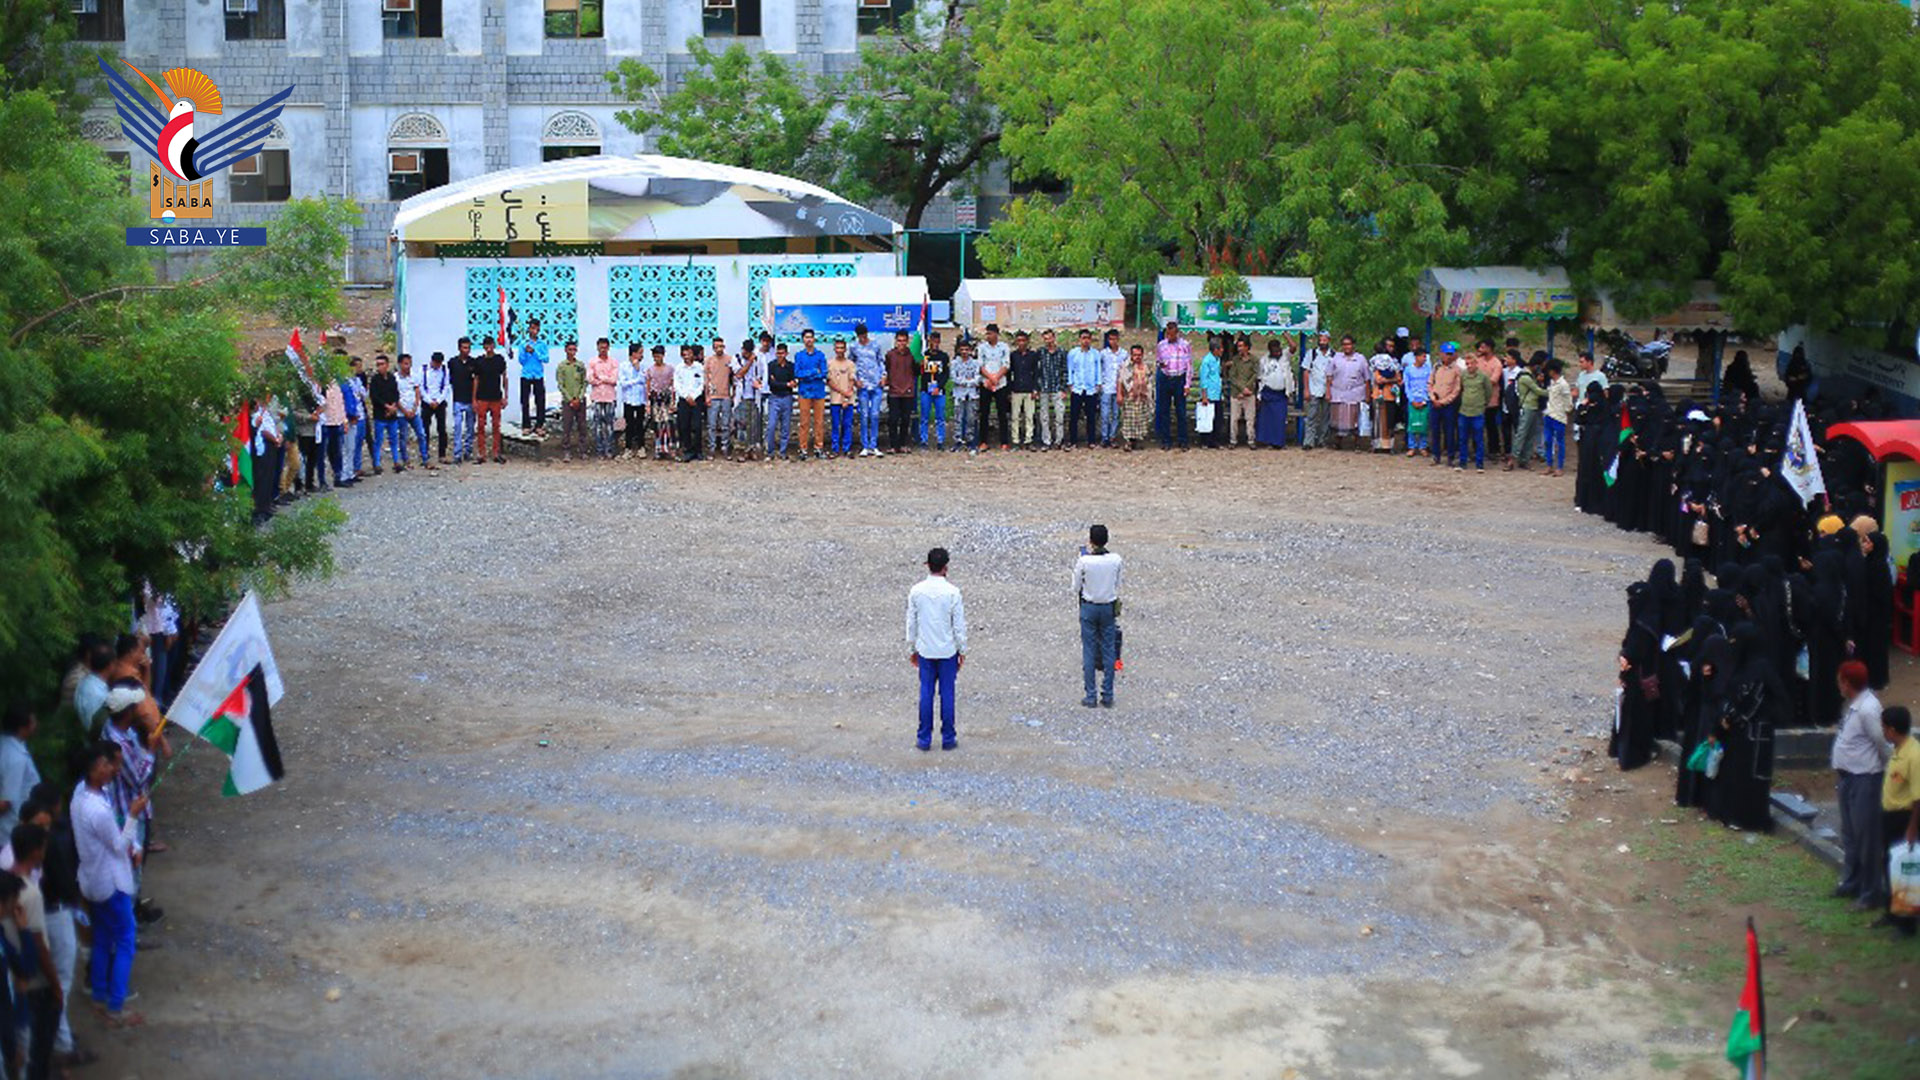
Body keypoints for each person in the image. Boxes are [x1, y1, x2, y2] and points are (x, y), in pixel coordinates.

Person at [72, 741, 145, 1028]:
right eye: (104, 764)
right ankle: (116, 1005)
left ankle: (99, 995)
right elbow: (118, 845)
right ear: (91, 770)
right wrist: (134, 815)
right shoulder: (98, 809)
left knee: (102, 938)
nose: (110, 768)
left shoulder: (79, 798)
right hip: (110, 881)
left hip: (91, 881)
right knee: (126, 939)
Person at [6, 825, 61, 1080]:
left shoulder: (5, 884)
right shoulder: (30, 893)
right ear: (37, 852)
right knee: (37, 1052)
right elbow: (39, 945)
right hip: (34, 981)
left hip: (14, 979)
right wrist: (56, 984)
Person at [1833, 661, 1889, 909]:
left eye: (1840, 680)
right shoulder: (1857, 706)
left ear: (1847, 683)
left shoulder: (1868, 709)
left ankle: (1871, 892)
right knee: (1851, 835)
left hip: (1865, 778)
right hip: (1849, 778)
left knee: (1866, 838)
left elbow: (1882, 744)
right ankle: (1853, 882)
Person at [906, 547, 967, 752]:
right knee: (947, 694)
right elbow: (958, 625)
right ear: (946, 567)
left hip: (925, 649)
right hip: (947, 650)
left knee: (926, 693)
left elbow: (911, 623)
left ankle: (924, 739)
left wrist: (911, 647)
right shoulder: (953, 592)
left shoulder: (917, 591)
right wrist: (962, 649)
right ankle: (948, 738)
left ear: (927, 565)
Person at [1879, 706, 1920, 935]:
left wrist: (1912, 828)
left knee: (1905, 872)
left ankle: (1906, 924)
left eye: (1884, 728)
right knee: (1888, 865)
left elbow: (1919, 797)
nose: (1882, 732)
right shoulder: (1899, 749)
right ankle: (1892, 913)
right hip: (1890, 816)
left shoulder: (1914, 755)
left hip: (1904, 819)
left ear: (1892, 730)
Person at [1072, 525, 1123, 708]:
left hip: (1089, 607)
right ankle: (1107, 695)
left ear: (1091, 541)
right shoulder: (1116, 560)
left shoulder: (1084, 561)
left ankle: (1090, 695)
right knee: (1109, 650)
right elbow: (1118, 584)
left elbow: (1075, 586)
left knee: (1089, 650)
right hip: (1108, 607)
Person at [0, 706, 39, 840]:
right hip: (11, 832)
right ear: (22, 728)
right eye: (33, 722)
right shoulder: (15, 757)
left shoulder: (6, 744)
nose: (36, 725)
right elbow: (6, 802)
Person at [1155, 321, 1192, 451]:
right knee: (1165, 411)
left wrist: (1187, 384)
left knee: (1181, 411)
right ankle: (1166, 440)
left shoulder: (1185, 345)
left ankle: (1183, 440)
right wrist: (1161, 364)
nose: (1170, 337)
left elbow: (1189, 365)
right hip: (1166, 378)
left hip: (1179, 378)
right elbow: (1158, 361)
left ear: (1177, 333)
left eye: (1172, 334)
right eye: (1168, 334)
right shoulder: (1161, 345)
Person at [1327, 335, 1369, 450]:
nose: (1347, 347)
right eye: (1344, 344)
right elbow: (1329, 376)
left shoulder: (1361, 359)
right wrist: (1328, 392)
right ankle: (1337, 443)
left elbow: (1367, 379)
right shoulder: (1336, 358)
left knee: (1354, 419)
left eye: (1349, 344)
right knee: (1338, 419)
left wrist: (1367, 395)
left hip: (1355, 394)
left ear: (1353, 345)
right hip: (1338, 392)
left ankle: (1357, 444)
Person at [850, 323, 887, 456]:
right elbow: (851, 365)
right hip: (863, 385)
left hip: (876, 384)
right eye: (860, 336)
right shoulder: (853, 347)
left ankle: (874, 444)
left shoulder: (876, 345)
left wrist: (883, 376)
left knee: (875, 414)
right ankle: (865, 445)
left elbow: (881, 361)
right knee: (864, 415)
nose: (863, 338)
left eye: (864, 335)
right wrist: (855, 379)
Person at [794, 329, 829, 460]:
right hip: (804, 392)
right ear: (803, 340)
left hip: (818, 392)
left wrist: (808, 374)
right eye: (806, 337)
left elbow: (824, 373)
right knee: (804, 422)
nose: (809, 340)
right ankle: (803, 449)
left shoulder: (820, 355)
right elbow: (798, 373)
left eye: (811, 337)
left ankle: (818, 448)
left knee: (819, 422)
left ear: (814, 339)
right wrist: (814, 372)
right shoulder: (799, 356)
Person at [473, 335, 509, 464]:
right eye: (486, 346)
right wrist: (474, 399)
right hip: (482, 397)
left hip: (496, 397)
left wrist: (506, 396)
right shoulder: (479, 361)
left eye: (490, 345)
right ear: (483, 347)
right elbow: (476, 380)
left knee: (496, 426)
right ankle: (481, 454)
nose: (488, 348)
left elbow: (504, 377)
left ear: (494, 346)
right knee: (481, 426)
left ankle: (496, 452)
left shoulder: (499, 360)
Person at [1455, 353, 1493, 471]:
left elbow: (1488, 392)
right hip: (1464, 410)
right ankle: (1462, 462)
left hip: (1477, 411)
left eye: (1471, 363)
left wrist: (1483, 404)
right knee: (1462, 438)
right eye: (1467, 364)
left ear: (1476, 364)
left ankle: (1479, 463)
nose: (1469, 366)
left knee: (1479, 438)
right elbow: (1460, 389)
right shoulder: (1463, 375)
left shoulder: (1483, 377)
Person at [976, 324, 1011, 451]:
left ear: (996, 334)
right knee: (984, 413)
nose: (988, 336)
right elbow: (980, 365)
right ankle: (983, 441)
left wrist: (996, 378)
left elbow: (1006, 364)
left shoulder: (1004, 347)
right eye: (987, 333)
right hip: (986, 383)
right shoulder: (981, 348)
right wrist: (990, 378)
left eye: (990, 333)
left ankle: (1004, 441)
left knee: (1002, 413)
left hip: (1000, 383)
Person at [1508, 355, 1546, 471]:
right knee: (1521, 433)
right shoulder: (1526, 377)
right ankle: (1513, 458)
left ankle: (1525, 459)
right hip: (1527, 407)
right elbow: (1538, 391)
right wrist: (1553, 392)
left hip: (1533, 407)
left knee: (1530, 435)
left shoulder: (1530, 376)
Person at [1256, 338, 1295, 449]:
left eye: (1278, 350)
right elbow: (1260, 377)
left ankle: (1279, 443)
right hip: (1268, 392)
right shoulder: (1264, 360)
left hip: (1281, 393)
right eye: (1274, 351)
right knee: (1267, 419)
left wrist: (1284, 332)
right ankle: (1269, 442)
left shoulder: (1285, 356)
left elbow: (1293, 346)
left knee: (1280, 418)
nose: (1277, 352)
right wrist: (1258, 395)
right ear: (1270, 350)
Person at [395, 353, 430, 472]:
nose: (408, 366)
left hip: (414, 412)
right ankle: (405, 460)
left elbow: (417, 393)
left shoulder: (414, 377)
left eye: (409, 364)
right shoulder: (395, 379)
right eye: (405, 364)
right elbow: (395, 397)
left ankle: (425, 459)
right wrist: (404, 411)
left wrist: (414, 408)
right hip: (401, 413)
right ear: (400, 364)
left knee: (421, 434)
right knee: (403, 437)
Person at [1067, 329, 1102, 449]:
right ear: (1079, 339)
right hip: (1077, 388)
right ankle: (1073, 441)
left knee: (1091, 416)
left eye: (1088, 338)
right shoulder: (1073, 353)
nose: (1085, 340)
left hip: (1091, 389)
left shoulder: (1095, 354)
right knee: (1074, 416)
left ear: (1091, 340)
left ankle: (1091, 441)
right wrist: (1071, 384)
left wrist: (1098, 384)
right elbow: (1070, 369)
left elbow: (1098, 369)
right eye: (1083, 338)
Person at [586, 338, 620, 460]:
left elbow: (614, 380)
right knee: (598, 426)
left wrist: (600, 377)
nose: (603, 350)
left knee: (609, 425)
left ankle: (609, 450)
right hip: (597, 397)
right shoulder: (593, 362)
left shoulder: (613, 362)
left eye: (605, 347)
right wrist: (605, 378)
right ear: (597, 347)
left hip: (610, 397)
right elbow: (590, 379)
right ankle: (600, 450)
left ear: (608, 348)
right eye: (601, 347)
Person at [884, 329, 918, 453]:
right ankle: (893, 445)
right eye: (899, 341)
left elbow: (916, 372)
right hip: (894, 391)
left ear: (907, 341)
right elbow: (886, 370)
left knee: (905, 419)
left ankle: (903, 444)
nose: (901, 343)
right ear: (895, 341)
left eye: (904, 341)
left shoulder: (912, 355)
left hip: (908, 391)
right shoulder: (890, 355)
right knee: (893, 419)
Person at [732, 336, 765, 461]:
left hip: (754, 397)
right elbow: (739, 374)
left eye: (748, 352)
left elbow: (762, 375)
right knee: (741, 426)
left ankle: (751, 450)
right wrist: (749, 361)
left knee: (754, 426)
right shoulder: (737, 359)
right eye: (744, 351)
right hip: (741, 398)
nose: (745, 354)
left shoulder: (758, 360)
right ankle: (741, 451)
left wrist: (759, 383)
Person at [369, 354, 403, 473]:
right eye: (378, 365)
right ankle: (377, 463)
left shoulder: (392, 378)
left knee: (394, 439)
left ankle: (396, 461)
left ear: (387, 365)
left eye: (382, 364)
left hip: (392, 414)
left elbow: (396, 393)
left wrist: (394, 405)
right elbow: (374, 397)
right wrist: (386, 406)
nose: (380, 367)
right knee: (379, 440)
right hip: (380, 414)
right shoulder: (374, 380)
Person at [554, 341, 588, 461]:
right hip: (568, 402)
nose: (572, 352)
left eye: (574, 349)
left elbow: (584, 382)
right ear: (565, 350)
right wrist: (570, 399)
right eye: (570, 350)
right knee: (567, 427)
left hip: (580, 400)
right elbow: (561, 385)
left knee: (582, 426)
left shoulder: (580, 365)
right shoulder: (562, 366)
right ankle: (567, 451)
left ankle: (583, 450)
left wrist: (579, 397)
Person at [1428, 343, 1460, 466]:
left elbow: (1456, 390)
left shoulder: (1457, 370)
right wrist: (1433, 398)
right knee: (1435, 430)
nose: (1449, 356)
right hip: (1435, 402)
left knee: (1449, 431)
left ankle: (1450, 456)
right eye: (1447, 354)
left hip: (1448, 405)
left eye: (1451, 354)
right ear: (1441, 354)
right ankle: (1436, 455)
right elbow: (1430, 383)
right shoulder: (1436, 367)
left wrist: (1444, 401)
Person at [1009, 330, 1041, 450]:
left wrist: (1035, 389)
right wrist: (1010, 390)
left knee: (1029, 416)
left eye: (1023, 340)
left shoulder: (1033, 355)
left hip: (1029, 389)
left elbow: (1036, 373)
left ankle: (1029, 440)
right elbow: (1010, 373)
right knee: (1015, 417)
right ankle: (1016, 440)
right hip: (1016, 389)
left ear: (1027, 341)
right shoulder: (1013, 356)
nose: (1021, 343)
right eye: (1019, 341)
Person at [1367, 337, 1401, 452]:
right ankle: (1377, 445)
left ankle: (1388, 445)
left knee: (1389, 421)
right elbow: (1377, 379)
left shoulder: (1394, 362)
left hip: (1390, 396)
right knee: (1377, 420)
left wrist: (1388, 380)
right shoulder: (1374, 361)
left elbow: (1398, 378)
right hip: (1377, 395)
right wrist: (1391, 380)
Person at [1301, 332, 1333, 450]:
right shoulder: (1312, 353)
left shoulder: (1333, 355)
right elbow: (1306, 372)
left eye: (1324, 340)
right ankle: (1308, 441)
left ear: (1328, 340)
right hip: (1314, 389)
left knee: (1326, 416)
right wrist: (1306, 389)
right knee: (1311, 416)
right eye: (1320, 339)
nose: (1322, 342)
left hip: (1328, 390)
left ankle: (1322, 440)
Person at [675, 345, 707, 463]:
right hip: (684, 400)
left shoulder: (699, 367)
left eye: (689, 354)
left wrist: (693, 396)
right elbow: (677, 384)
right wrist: (686, 396)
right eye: (684, 355)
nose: (687, 357)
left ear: (693, 354)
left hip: (696, 400)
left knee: (697, 426)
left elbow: (702, 383)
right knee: (684, 426)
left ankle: (698, 451)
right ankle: (688, 450)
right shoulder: (679, 368)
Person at [1225, 335, 1259, 448]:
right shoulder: (1235, 360)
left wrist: (1247, 388)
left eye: (1241, 346)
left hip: (1249, 393)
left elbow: (1255, 375)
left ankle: (1251, 440)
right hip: (1237, 393)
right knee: (1234, 418)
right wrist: (1241, 389)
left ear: (1247, 347)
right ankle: (1233, 440)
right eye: (1238, 346)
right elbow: (1232, 376)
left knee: (1250, 418)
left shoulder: (1254, 360)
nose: (1239, 348)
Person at [1037, 328, 1069, 449]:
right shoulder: (1040, 352)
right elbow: (1037, 371)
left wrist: (1063, 388)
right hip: (1044, 388)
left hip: (1057, 388)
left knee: (1059, 416)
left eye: (1050, 338)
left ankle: (1059, 440)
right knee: (1044, 416)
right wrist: (1038, 386)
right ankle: (1046, 441)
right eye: (1045, 339)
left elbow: (1064, 371)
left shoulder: (1061, 352)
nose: (1048, 341)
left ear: (1054, 338)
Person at [827, 338, 858, 459]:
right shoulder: (830, 363)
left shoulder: (850, 364)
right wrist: (842, 393)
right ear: (834, 349)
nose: (840, 350)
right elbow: (830, 382)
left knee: (847, 424)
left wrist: (847, 395)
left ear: (845, 349)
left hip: (848, 400)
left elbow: (852, 379)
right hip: (835, 399)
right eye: (837, 348)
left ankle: (847, 448)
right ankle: (835, 448)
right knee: (835, 424)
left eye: (842, 348)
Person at [764, 343, 796, 461]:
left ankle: (783, 451)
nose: (780, 356)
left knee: (785, 426)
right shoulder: (771, 365)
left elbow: (793, 381)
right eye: (778, 353)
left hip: (787, 397)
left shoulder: (790, 366)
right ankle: (770, 451)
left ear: (786, 353)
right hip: (774, 397)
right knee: (771, 425)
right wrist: (786, 384)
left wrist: (786, 384)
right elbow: (771, 383)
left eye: (782, 353)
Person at [448, 337, 477, 464]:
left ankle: (468, 451)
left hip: (470, 399)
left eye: (468, 347)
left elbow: (477, 380)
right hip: (458, 400)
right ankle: (457, 454)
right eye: (464, 347)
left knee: (470, 428)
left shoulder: (473, 363)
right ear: (459, 348)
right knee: (458, 427)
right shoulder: (453, 363)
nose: (467, 350)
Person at [615, 341, 646, 460]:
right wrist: (636, 380)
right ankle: (628, 448)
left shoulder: (642, 366)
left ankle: (641, 447)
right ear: (633, 353)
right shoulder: (623, 366)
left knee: (640, 424)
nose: (641, 355)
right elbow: (623, 383)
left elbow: (644, 380)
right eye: (640, 353)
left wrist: (637, 370)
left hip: (640, 398)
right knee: (629, 424)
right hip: (628, 399)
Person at [516, 319, 548, 435]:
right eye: (532, 328)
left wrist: (534, 352)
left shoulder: (542, 344)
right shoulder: (523, 343)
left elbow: (546, 359)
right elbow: (521, 361)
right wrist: (526, 351)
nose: (534, 331)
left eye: (536, 329)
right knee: (525, 401)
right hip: (526, 375)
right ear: (529, 329)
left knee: (540, 401)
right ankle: (526, 425)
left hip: (538, 375)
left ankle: (540, 425)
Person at [949, 339, 981, 454]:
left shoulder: (975, 363)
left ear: (970, 350)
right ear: (958, 350)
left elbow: (978, 379)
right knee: (958, 417)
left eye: (966, 349)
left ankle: (970, 441)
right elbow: (954, 378)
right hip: (959, 394)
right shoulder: (955, 363)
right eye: (962, 349)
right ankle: (957, 441)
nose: (964, 352)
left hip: (972, 394)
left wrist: (967, 382)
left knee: (971, 418)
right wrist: (967, 381)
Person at [1542, 358, 1573, 477]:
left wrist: (1565, 411)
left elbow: (1568, 402)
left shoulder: (1563, 384)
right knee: (1548, 441)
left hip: (1559, 416)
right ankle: (1549, 465)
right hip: (1549, 414)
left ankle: (1559, 466)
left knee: (1560, 443)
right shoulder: (1551, 383)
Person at [919, 331, 950, 450]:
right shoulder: (924, 355)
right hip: (926, 390)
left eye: (937, 342)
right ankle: (924, 440)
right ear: (929, 341)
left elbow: (946, 374)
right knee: (924, 416)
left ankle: (940, 440)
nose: (935, 344)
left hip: (939, 391)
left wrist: (939, 387)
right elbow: (918, 372)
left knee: (940, 416)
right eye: (933, 341)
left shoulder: (943, 356)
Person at [420, 350, 451, 464]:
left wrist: (438, 400)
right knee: (425, 429)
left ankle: (442, 454)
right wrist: (429, 400)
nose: (437, 365)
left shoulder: (444, 370)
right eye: (436, 363)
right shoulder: (423, 370)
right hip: (427, 402)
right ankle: (424, 453)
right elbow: (421, 387)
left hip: (440, 402)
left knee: (442, 429)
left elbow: (446, 387)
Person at [705, 337, 733, 461]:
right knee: (712, 425)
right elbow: (706, 380)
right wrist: (707, 396)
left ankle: (725, 447)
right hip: (713, 396)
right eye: (717, 347)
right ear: (713, 348)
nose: (719, 349)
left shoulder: (729, 360)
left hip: (726, 396)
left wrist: (733, 394)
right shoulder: (709, 361)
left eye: (721, 346)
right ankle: (711, 448)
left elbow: (734, 378)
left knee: (726, 425)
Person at [1401, 345, 1431, 458]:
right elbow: (1407, 386)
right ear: (1417, 357)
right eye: (1423, 356)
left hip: (1425, 399)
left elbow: (1429, 384)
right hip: (1412, 400)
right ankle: (1411, 446)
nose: (1424, 359)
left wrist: (1425, 399)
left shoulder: (1428, 370)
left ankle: (1423, 446)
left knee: (1424, 424)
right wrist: (1412, 399)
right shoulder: (1408, 370)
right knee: (1411, 424)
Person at [1194, 336, 1223, 448]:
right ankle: (1205, 441)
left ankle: (1215, 440)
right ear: (1215, 349)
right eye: (1220, 348)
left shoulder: (1217, 360)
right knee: (1207, 418)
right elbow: (1204, 379)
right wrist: (1204, 396)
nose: (1222, 350)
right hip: (1209, 394)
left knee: (1217, 419)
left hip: (1217, 393)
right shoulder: (1207, 361)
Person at [1098, 329, 1126, 447]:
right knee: (1105, 414)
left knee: (1116, 414)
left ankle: (1113, 436)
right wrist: (1100, 384)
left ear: (1118, 339)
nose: (1113, 341)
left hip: (1119, 388)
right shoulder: (1103, 354)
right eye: (1110, 339)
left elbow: (1125, 371)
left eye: (1115, 339)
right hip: (1106, 387)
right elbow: (1100, 369)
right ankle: (1105, 437)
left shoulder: (1124, 354)